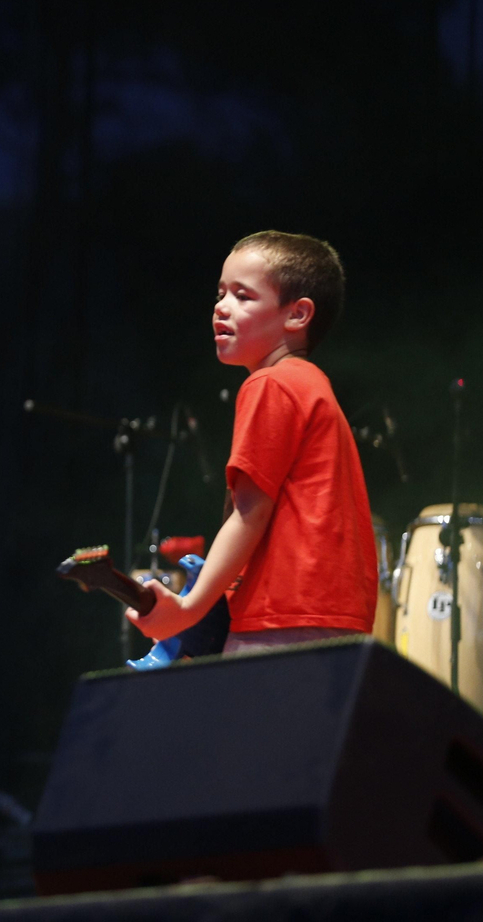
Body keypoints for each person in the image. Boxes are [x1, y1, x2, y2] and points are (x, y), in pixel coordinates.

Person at [128, 231, 375, 654]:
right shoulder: (311, 385)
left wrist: (186, 609)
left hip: (281, 618)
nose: (221, 307)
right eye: (220, 293)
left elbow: (248, 514)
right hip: (328, 614)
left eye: (243, 296)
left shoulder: (271, 384)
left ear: (297, 315)